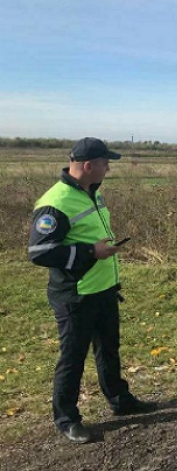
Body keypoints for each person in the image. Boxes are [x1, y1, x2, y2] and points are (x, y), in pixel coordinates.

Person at [28, 138, 156, 444]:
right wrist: (89, 252)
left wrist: (101, 251)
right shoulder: (55, 202)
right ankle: (66, 418)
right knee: (73, 357)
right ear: (88, 166)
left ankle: (119, 400)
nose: (109, 168)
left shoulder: (91, 193)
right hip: (76, 294)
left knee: (109, 349)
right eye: (105, 163)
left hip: (103, 289)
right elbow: (39, 251)